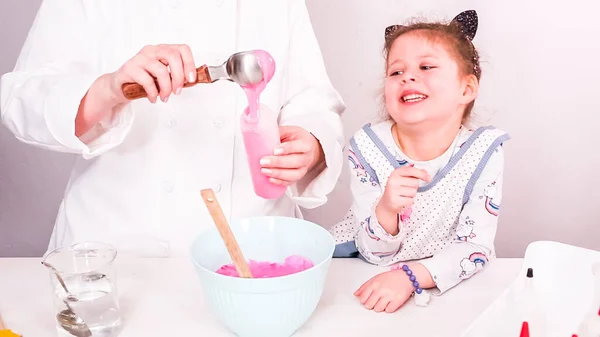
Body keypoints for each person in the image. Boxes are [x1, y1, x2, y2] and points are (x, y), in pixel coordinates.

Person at [0, 0, 346, 257]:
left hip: (254, 246)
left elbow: (312, 100)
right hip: (119, 251)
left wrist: (309, 143)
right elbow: (21, 99)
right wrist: (108, 89)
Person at [329, 10, 510, 313]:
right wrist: (386, 209)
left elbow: (474, 248)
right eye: (396, 72)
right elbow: (372, 253)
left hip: (441, 279)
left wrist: (409, 277)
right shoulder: (367, 147)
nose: (408, 76)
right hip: (362, 270)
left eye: (426, 66)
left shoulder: (483, 151)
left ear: (466, 89)